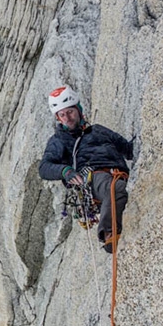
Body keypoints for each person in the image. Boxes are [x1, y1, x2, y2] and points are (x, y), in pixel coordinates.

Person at [39, 86, 134, 253]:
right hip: (90, 178)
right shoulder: (59, 140)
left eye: (70, 112)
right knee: (115, 189)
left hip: (117, 173)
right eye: (62, 115)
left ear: (79, 110)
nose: (67, 117)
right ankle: (108, 232)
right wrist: (66, 171)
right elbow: (44, 167)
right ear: (58, 118)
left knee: (117, 187)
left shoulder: (98, 130)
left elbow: (127, 148)